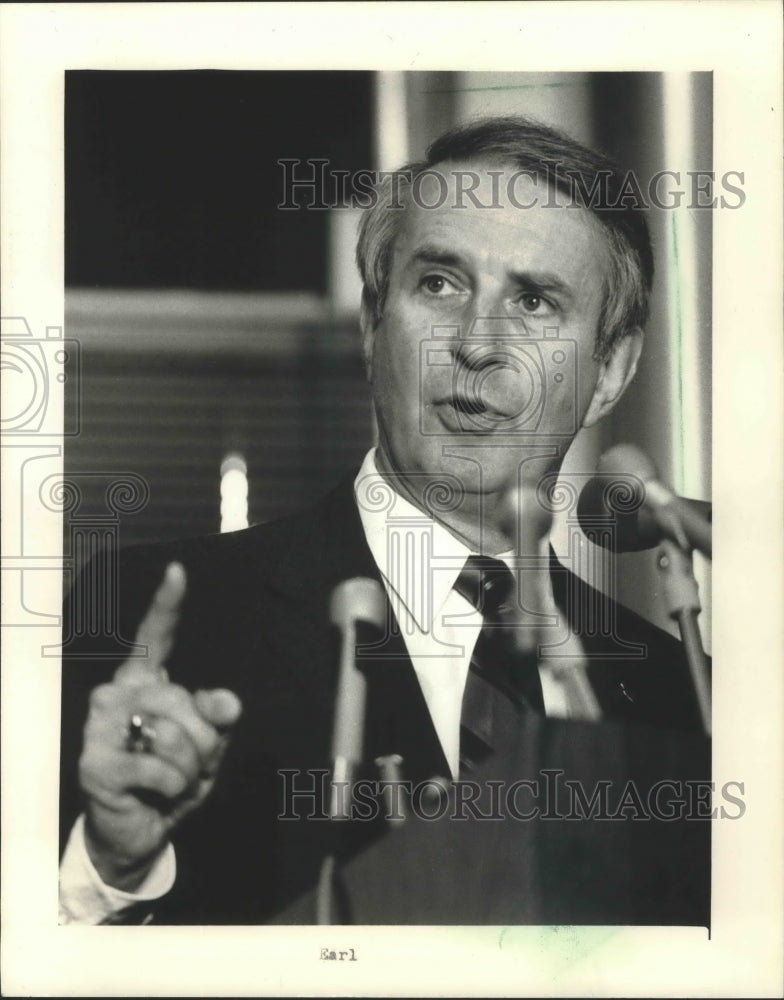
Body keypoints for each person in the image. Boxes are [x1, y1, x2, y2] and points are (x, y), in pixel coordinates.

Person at [59, 115, 709, 926]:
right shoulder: (153, 620)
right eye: (440, 284)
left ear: (610, 369)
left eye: (535, 300)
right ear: (373, 323)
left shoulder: (677, 695)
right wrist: (111, 865)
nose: (477, 344)